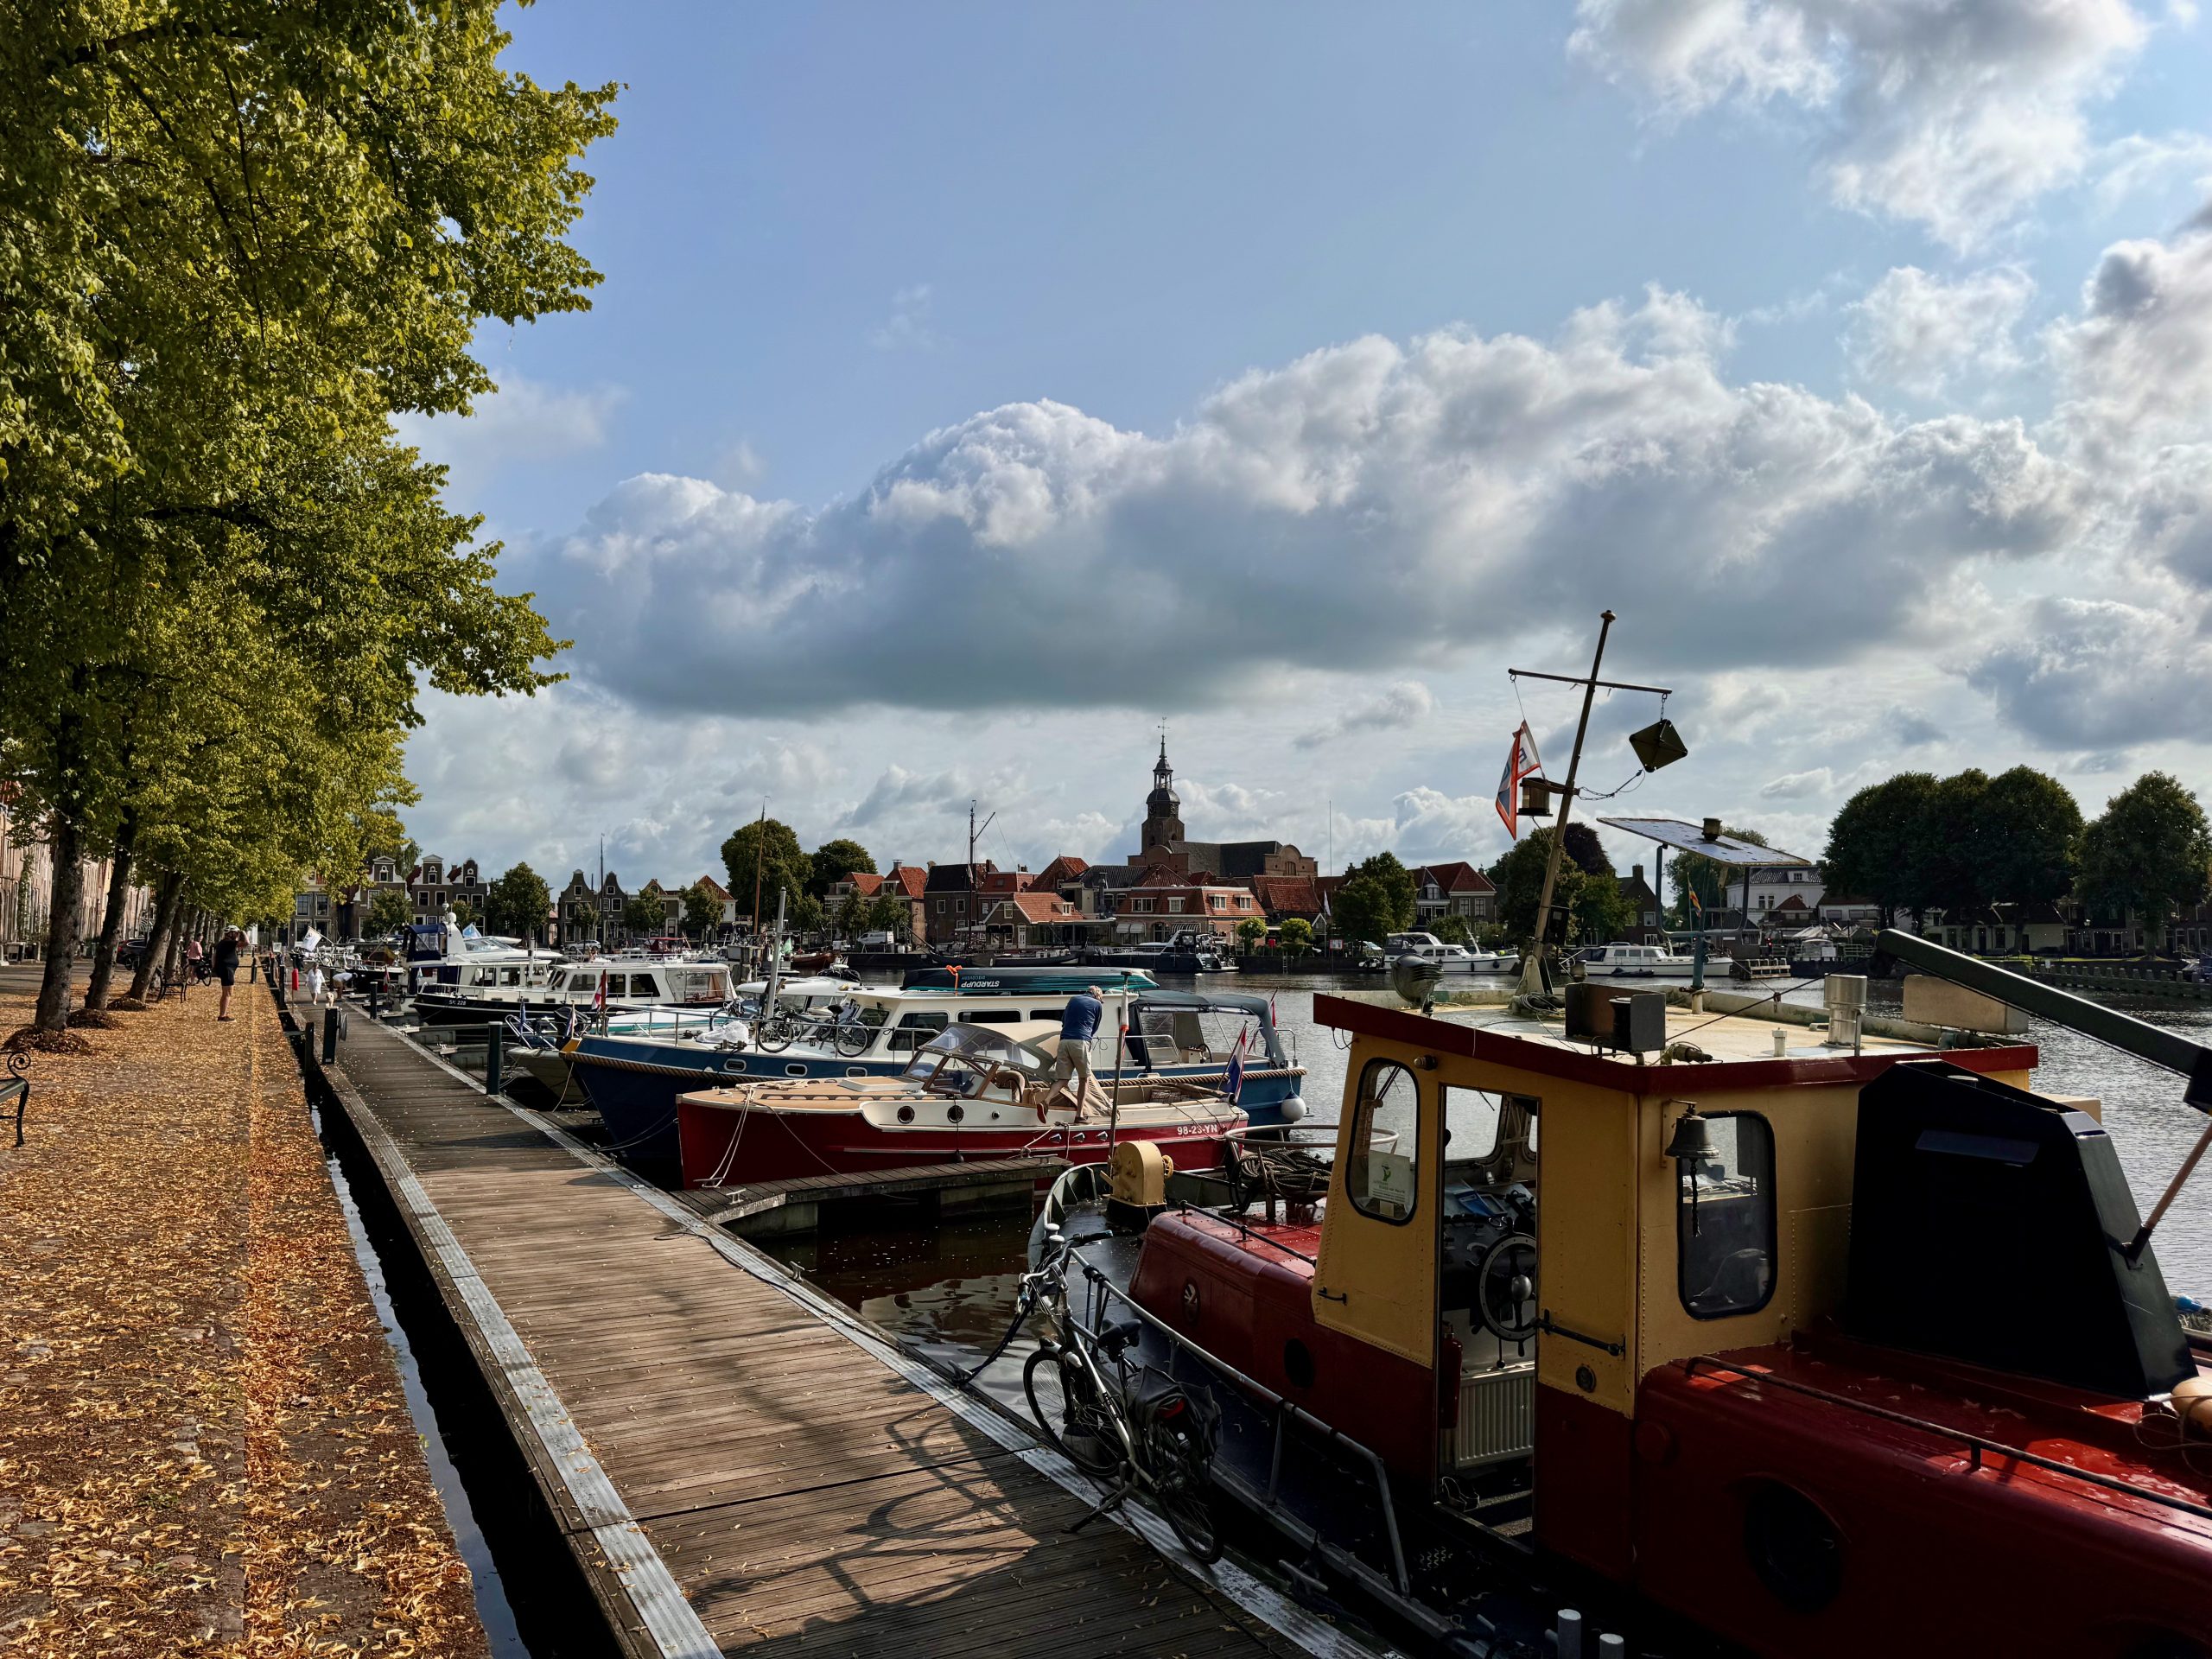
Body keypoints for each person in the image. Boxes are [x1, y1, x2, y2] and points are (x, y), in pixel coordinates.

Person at [1055, 984, 1105, 1091]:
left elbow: (1064, 1020)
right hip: (1081, 1041)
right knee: (1084, 1080)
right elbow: (1095, 1027)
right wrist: (1088, 1038)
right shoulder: (1097, 1004)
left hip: (1064, 1041)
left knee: (1062, 1079)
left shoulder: (1073, 999)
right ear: (1098, 996)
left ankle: (1046, 1100)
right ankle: (1080, 1109)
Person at [213, 929, 243, 1020]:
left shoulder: (224, 943)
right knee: (228, 993)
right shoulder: (228, 942)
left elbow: (214, 955)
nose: (237, 935)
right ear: (231, 933)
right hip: (227, 970)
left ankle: (223, 1014)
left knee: (226, 993)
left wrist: (214, 967)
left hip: (227, 970)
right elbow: (246, 943)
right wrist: (243, 933)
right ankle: (222, 1016)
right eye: (236, 933)